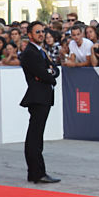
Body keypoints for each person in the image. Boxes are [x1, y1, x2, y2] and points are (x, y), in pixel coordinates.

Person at [19, 21, 60, 184]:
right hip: (38, 96)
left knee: (36, 135)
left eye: (43, 31)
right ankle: (37, 172)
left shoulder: (40, 51)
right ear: (30, 35)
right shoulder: (30, 52)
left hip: (43, 95)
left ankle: (35, 172)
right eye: (37, 32)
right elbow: (44, 73)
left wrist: (49, 72)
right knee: (35, 136)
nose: (41, 34)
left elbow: (54, 69)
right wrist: (49, 74)